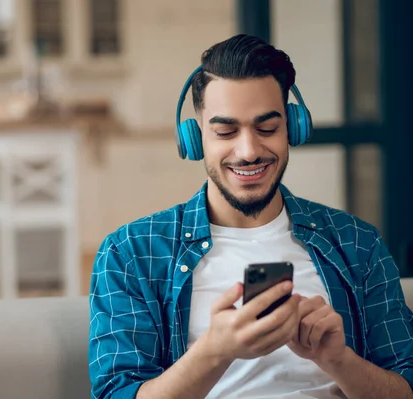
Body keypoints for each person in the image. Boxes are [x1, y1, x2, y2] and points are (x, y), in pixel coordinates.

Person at [87, 34, 413, 399]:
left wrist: (338, 360)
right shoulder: (130, 253)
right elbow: (116, 393)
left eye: (267, 128)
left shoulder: (357, 243)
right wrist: (215, 351)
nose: (248, 151)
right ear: (195, 138)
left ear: (293, 127)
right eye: (226, 131)